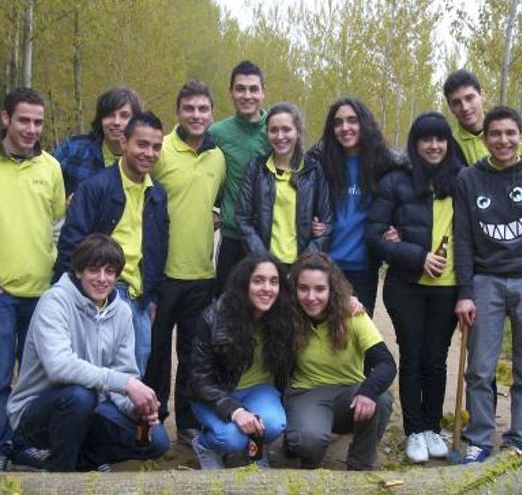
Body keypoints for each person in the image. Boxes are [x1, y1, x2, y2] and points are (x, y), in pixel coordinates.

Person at [444, 69, 522, 455]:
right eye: (495, 134)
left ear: (521, 136)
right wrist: (465, 291)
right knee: (479, 370)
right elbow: (463, 240)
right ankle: (480, 438)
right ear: (485, 139)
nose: (502, 140)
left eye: (509, 134)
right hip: (486, 283)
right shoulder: (468, 178)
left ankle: (517, 439)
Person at [0, 87, 66, 471]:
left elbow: (59, 226)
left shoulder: (51, 168)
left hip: (43, 294)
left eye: (38, 122)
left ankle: (26, 444)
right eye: (24, 120)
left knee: (41, 379)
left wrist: (54, 275)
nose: (31, 129)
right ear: (6, 118)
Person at [7, 234, 169, 472]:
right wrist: (127, 384)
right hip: (39, 411)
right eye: (94, 270)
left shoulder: (122, 312)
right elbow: (59, 367)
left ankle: (71, 461)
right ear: (78, 271)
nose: (102, 279)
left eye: (110, 271)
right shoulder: (54, 302)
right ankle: (58, 472)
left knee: (156, 440)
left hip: (93, 409)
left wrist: (136, 409)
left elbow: (124, 373)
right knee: (80, 395)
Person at [367, 112, 463, 463]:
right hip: (406, 284)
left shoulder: (462, 180)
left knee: (436, 360)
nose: (434, 145)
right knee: (412, 355)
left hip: (449, 287)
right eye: (426, 139)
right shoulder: (396, 182)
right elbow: (374, 234)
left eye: (440, 139)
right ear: (415, 143)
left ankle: (432, 427)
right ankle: (413, 431)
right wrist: (416, 255)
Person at [54, 112, 169, 373]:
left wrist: (153, 297)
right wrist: (72, 297)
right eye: (142, 144)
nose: (149, 153)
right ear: (124, 142)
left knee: (133, 378)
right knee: (98, 377)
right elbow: (71, 244)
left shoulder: (158, 193)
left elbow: (159, 247)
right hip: (105, 293)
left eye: (156, 147)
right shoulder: (95, 188)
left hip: (140, 299)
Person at [145, 79, 226, 445]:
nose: (196, 115)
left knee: (193, 354)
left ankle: (189, 423)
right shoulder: (160, 150)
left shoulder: (217, 157)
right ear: (178, 112)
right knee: (156, 353)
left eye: (203, 109)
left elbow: (216, 201)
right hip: (163, 275)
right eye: (189, 108)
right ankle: (154, 418)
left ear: (212, 114)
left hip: (201, 275)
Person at [187, 252, 302, 469]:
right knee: (231, 438)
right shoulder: (213, 318)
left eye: (274, 281)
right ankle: (205, 445)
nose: (267, 288)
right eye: (258, 280)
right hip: (215, 394)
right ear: (244, 284)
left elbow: (318, 303)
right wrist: (235, 410)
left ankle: (256, 448)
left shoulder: (284, 314)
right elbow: (199, 378)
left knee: (274, 424)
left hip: (259, 390)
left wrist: (349, 302)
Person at [283, 253, 395, 470]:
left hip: (350, 393)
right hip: (306, 392)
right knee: (309, 442)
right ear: (294, 289)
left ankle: (359, 467)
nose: (311, 296)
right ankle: (306, 457)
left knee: (381, 399)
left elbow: (386, 363)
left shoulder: (353, 315)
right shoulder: (287, 315)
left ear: (332, 289)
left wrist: (367, 392)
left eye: (319, 289)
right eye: (303, 288)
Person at [310, 97, 397, 315]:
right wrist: (309, 223)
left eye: (352, 120)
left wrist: (399, 228)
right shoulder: (319, 163)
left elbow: (399, 205)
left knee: (357, 336)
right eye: (338, 123)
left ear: (364, 123)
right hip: (325, 264)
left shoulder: (384, 164)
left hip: (364, 268)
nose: (345, 128)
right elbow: (304, 204)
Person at [236, 102, 332, 268]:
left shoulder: (314, 171)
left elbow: (326, 225)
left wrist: (303, 264)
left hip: (302, 268)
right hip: (264, 266)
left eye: (286, 129)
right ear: (267, 134)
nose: (280, 136)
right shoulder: (256, 168)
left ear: (298, 132)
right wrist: (264, 260)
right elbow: (242, 218)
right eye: (273, 130)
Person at [210, 61, 271, 292]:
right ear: (231, 92)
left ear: (263, 91)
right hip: (232, 238)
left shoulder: (277, 130)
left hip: (271, 238)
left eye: (253, 89)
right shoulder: (217, 133)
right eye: (241, 88)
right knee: (227, 308)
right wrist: (214, 209)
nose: (247, 95)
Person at [53, 87, 143, 198]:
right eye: (110, 115)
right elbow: (43, 188)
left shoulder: (144, 159)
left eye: (124, 116)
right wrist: (64, 205)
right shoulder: (73, 150)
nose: (116, 122)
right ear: (100, 120)